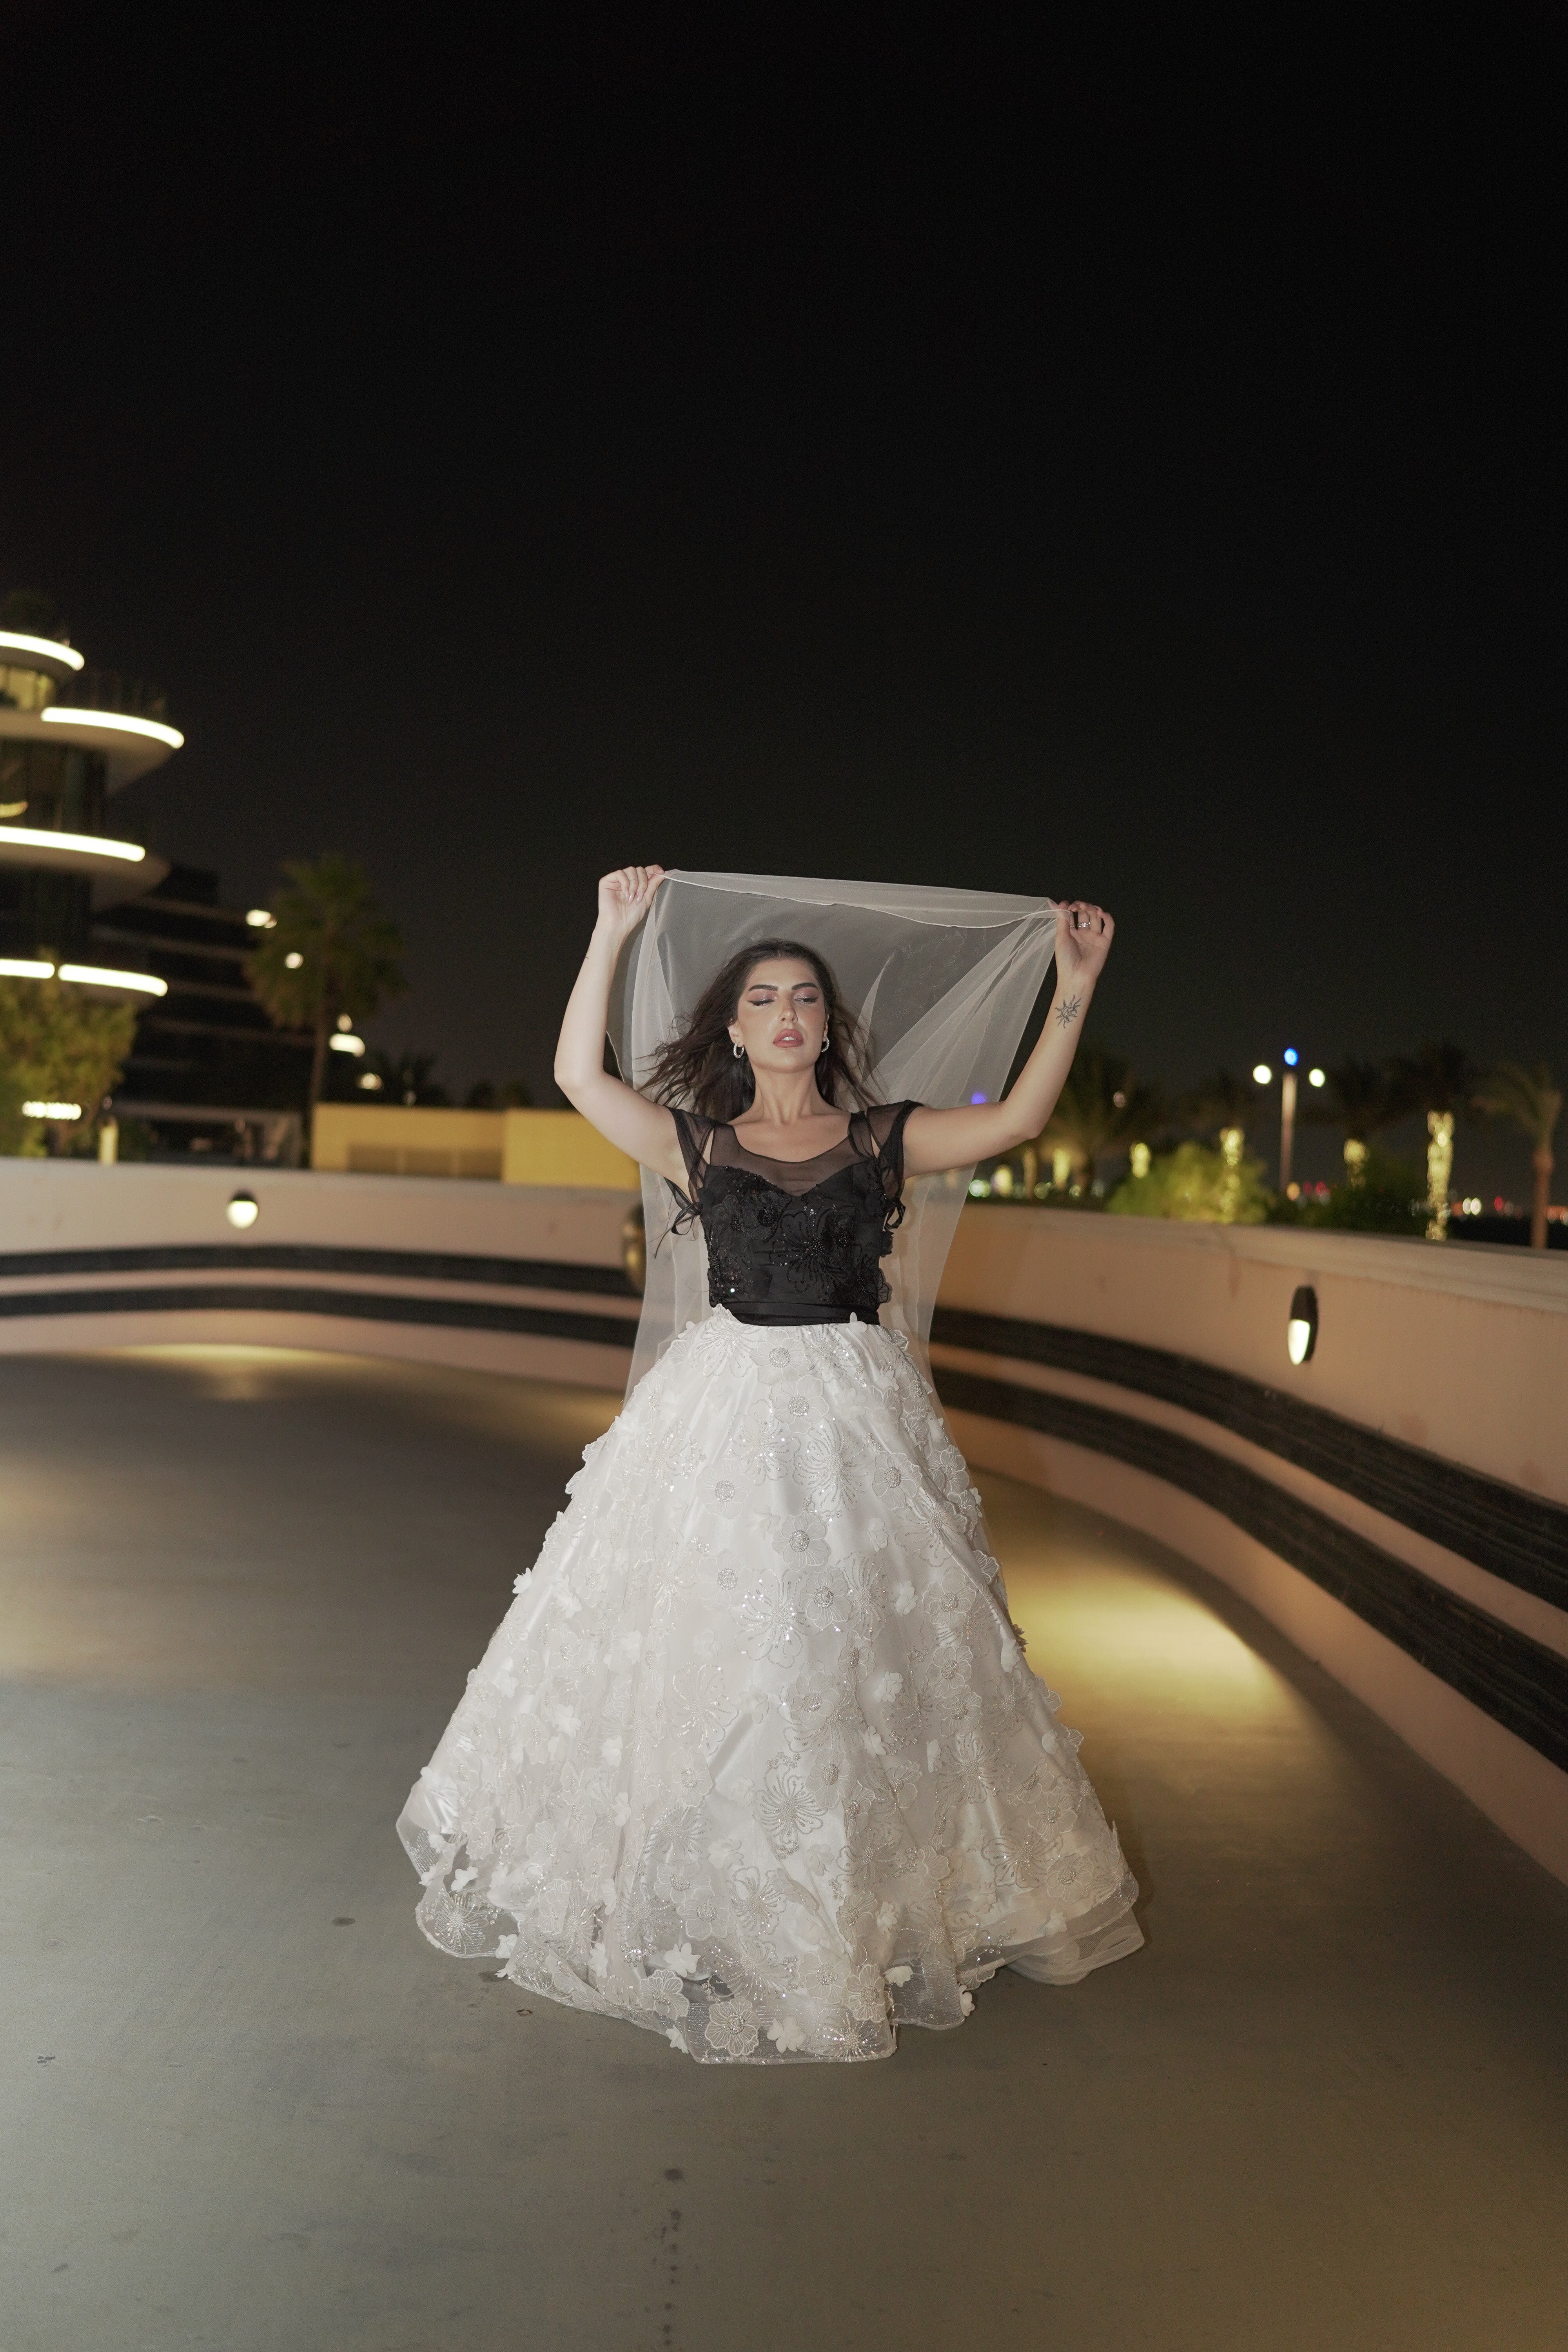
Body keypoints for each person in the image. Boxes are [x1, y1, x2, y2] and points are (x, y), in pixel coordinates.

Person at [398, 866, 1142, 2063]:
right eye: (764, 998)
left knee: (850, 1647)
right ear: (735, 1030)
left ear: (824, 1026)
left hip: (855, 1412)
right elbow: (577, 1078)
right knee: (730, 1640)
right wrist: (609, 931)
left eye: (804, 997)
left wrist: (1073, 989)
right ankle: (713, 1891)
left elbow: (1014, 1122)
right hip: (729, 1410)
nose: (787, 1012)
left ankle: (842, 1901)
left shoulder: (883, 1136)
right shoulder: (698, 1140)